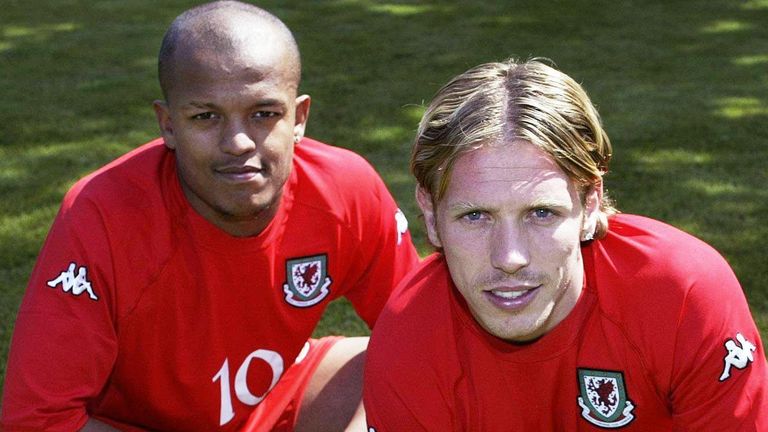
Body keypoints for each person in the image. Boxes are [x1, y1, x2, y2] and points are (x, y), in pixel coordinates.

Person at [1, 1, 419, 431]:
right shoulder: (103, 213)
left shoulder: (343, 190)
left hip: (277, 396)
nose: (237, 141)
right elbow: (37, 420)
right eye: (205, 116)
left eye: (264, 114)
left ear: (299, 117)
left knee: (392, 363)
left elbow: (425, 333)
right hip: (136, 424)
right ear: (167, 125)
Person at [363, 59, 767, 431]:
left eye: (541, 213)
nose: (509, 258)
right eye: (475, 216)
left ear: (590, 203)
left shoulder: (681, 297)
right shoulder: (408, 344)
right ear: (431, 215)